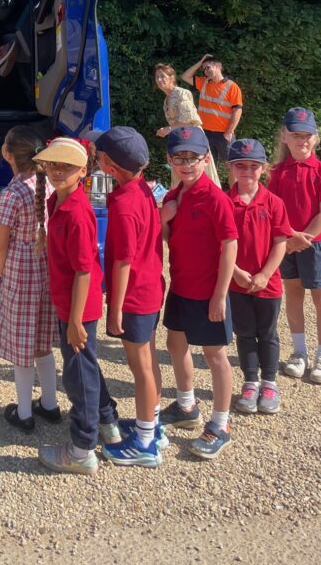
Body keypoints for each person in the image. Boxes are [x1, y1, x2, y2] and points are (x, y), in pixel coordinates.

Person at [32, 137, 120, 475]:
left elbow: (85, 270)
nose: (57, 170)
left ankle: (82, 448)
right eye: (53, 164)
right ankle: (108, 425)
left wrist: (74, 320)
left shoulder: (77, 211)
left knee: (78, 375)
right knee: (87, 367)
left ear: (84, 171)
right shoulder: (59, 201)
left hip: (77, 309)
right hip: (71, 306)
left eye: (66, 166)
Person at [159, 126, 238, 459]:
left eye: (193, 157)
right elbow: (165, 238)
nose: (187, 164)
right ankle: (187, 405)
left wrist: (220, 295)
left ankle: (221, 424)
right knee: (175, 343)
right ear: (170, 160)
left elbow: (230, 246)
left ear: (206, 160)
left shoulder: (216, 198)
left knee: (215, 355)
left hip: (208, 292)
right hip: (180, 286)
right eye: (180, 157)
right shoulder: (171, 197)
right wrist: (163, 218)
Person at [91, 127, 166, 468]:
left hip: (134, 296)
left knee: (141, 370)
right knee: (148, 363)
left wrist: (114, 309)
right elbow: (100, 194)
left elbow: (121, 262)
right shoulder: (140, 190)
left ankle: (145, 442)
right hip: (151, 288)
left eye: (99, 156)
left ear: (109, 163)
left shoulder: (123, 206)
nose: (95, 160)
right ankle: (153, 423)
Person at [0, 126, 60, 432]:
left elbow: (0, 244)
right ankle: (50, 404)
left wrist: (4, 274)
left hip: (21, 272)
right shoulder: (46, 185)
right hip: (44, 268)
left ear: (8, 154)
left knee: (22, 347)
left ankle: (24, 413)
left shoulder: (11, 193)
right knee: (42, 343)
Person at [267, 108, 321, 385]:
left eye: (307, 135)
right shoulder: (276, 173)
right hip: (287, 243)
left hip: (313, 244)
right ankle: (299, 352)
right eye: (296, 134)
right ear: (285, 137)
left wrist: (301, 238)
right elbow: (273, 210)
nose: (302, 140)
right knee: (293, 295)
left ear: (315, 138)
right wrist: (289, 237)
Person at [226, 139, 292, 416]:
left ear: (263, 169)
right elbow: (220, 244)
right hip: (237, 283)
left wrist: (265, 274)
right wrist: (237, 273)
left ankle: (269, 383)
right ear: (231, 168)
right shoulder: (224, 202)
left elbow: (281, 243)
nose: (247, 171)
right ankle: (250, 381)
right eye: (241, 165)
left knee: (267, 334)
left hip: (269, 284)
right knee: (244, 333)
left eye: (253, 166)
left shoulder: (274, 203)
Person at [154, 63, 221, 187]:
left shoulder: (182, 93)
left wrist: (168, 129)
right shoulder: (166, 100)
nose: (159, 80)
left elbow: (189, 119)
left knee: (197, 173)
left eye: (162, 76)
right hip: (180, 139)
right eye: (157, 77)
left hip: (193, 138)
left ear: (171, 78)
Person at [181, 55, 243, 167]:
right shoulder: (203, 82)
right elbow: (185, 76)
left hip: (223, 134)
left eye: (208, 67)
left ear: (217, 66)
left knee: (232, 166)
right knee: (208, 167)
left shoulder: (232, 86)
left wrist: (229, 131)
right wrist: (201, 62)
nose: (205, 71)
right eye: (204, 69)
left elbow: (237, 111)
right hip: (205, 133)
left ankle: (235, 186)